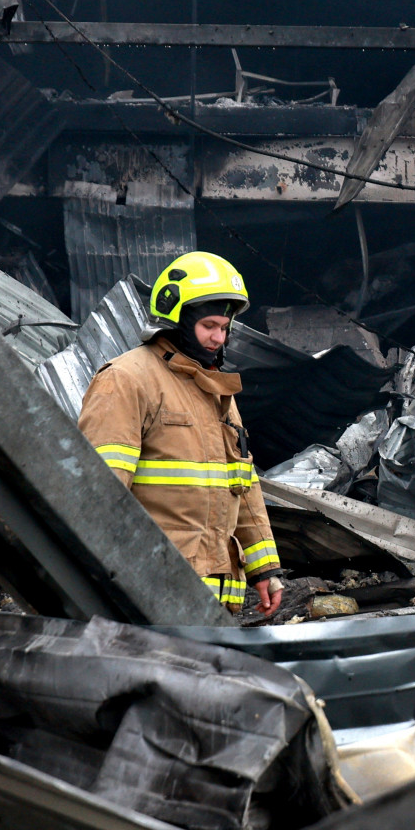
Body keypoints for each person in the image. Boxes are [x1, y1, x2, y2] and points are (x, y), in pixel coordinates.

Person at [77, 251, 284, 617]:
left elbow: (244, 485)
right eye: (209, 326)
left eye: (225, 327)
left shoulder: (218, 392)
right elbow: (100, 495)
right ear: (177, 319)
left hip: (217, 605)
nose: (219, 338)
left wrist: (264, 568)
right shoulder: (126, 380)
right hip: (153, 597)